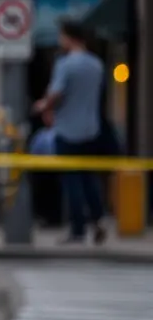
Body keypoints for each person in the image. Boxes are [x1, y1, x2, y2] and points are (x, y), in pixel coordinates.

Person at [33, 18, 106, 244]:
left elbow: (57, 93)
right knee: (89, 177)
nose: (59, 40)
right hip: (91, 128)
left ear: (68, 37)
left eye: (61, 36)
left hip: (67, 130)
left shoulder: (65, 65)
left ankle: (77, 230)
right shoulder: (96, 64)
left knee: (71, 180)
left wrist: (43, 105)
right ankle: (99, 219)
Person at [28, 110, 61, 227]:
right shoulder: (41, 134)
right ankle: (46, 218)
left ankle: (57, 219)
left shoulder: (60, 132)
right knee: (44, 195)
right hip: (43, 170)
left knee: (56, 195)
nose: (48, 119)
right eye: (46, 116)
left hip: (57, 169)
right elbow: (33, 151)